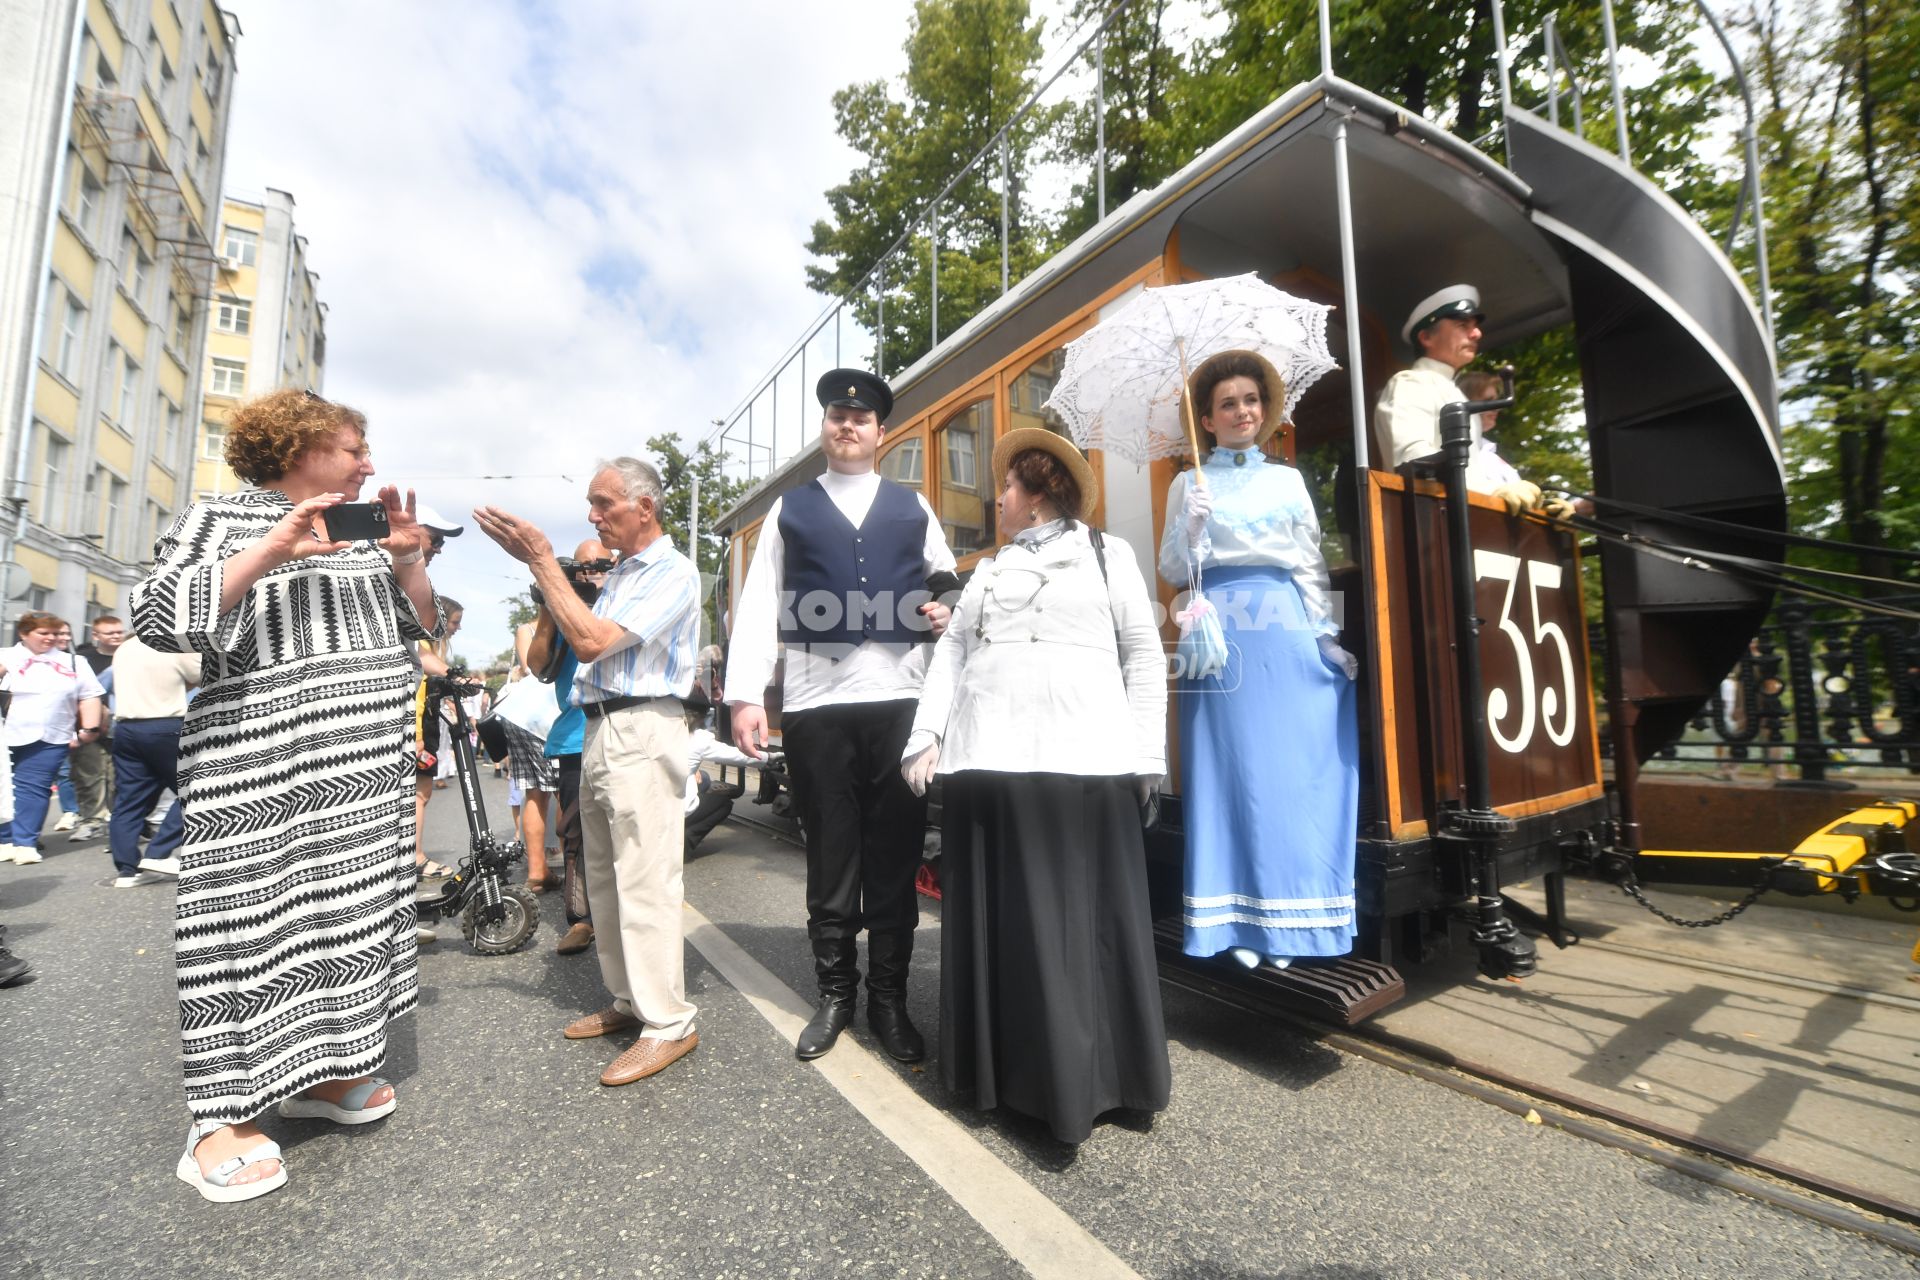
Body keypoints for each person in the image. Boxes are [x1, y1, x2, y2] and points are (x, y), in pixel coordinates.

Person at [131, 386, 442, 1202]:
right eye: (350, 449)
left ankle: (324, 1075)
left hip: (361, 776)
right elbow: (157, 618)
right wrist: (273, 549)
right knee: (247, 929)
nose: (366, 462)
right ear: (298, 447)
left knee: (348, 920)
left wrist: (408, 560)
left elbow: (424, 630)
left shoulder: (360, 530)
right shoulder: (220, 518)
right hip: (263, 774)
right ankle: (220, 1120)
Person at [902, 427, 1169, 1143]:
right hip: (991, 760)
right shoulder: (986, 572)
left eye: (1009, 488)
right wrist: (926, 735)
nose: (999, 499)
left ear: (1040, 492)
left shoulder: (1110, 557)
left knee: (1088, 924)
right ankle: (1004, 1079)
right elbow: (954, 654)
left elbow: (1143, 652)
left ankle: (1101, 1080)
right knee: (1008, 922)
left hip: (1087, 757)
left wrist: (1147, 754)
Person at [726, 369, 955, 1063]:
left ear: (881, 434)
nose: (847, 424)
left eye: (861, 417)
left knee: (893, 860)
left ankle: (888, 1001)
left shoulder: (912, 507)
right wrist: (744, 695)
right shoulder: (790, 511)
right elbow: (760, 601)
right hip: (817, 706)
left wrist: (947, 602)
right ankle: (835, 996)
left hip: (898, 703)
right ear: (826, 427)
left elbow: (947, 576)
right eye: (836, 414)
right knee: (830, 860)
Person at [474, 459, 703, 1087]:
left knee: (646, 875)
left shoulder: (673, 572)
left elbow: (595, 642)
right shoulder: (624, 572)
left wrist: (545, 563)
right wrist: (545, 572)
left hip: (642, 725)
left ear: (645, 507)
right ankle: (631, 1000)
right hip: (601, 725)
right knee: (603, 877)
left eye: (604, 504)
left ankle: (669, 1021)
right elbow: (554, 655)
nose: (593, 516)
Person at [1160, 350, 1361, 971]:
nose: (1243, 411)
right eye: (1228, 403)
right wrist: (1191, 531)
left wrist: (1326, 635)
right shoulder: (1185, 483)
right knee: (1232, 775)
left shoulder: (1288, 479)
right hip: (1221, 633)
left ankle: (1290, 926)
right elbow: (1171, 572)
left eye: (1251, 400)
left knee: (1295, 772)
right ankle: (1238, 924)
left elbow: (1308, 563)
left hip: (1286, 629)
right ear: (1208, 420)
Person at [1373, 284, 1551, 516]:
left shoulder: (1449, 389)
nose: (1476, 334)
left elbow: (1473, 472)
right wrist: (1494, 492)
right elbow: (1417, 464)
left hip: (1465, 523)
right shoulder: (1411, 383)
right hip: (1438, 530)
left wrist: (1541, 507)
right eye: (1462, 325)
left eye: (1475, 326)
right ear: (1426, 337)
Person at [525, 539, 614, 956]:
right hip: (574, 735)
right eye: (581, 568)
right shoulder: (563, 607)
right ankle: (581, 919)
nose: (590, 573)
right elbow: (538, 665)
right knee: (575, 831)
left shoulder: (628, 597)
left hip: (621, 728)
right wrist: (548, 602)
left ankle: (624, 915)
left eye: (600, 565)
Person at [1, 613, 105, 864]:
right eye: (43, 633)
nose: (50, 638)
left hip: (52, 735)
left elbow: (89, 696)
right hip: (6, 733)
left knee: (34, 787)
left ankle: (25, 842)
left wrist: (88, 730)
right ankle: (4, 839)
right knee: (2, 788)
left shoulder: (74, 661)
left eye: (55, 633)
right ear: (24, 634)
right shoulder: (5, 655)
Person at [104, 634, 201, 885]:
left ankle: (127, 870)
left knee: (130, 799)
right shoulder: (175, 642)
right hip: (166, 724)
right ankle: (158, 853)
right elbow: (203, 674)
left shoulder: (126, 646)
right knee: (195, 790)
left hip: (126, 727)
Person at [69, 615, 126, 841]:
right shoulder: (83, 659)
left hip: (121, 726)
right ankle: (90, 821)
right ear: (96, 636)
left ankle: (117, 821)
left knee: (118, 778)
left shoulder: (129, 655)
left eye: (118, 632)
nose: (116, 636)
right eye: (109, 633)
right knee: (88, 776)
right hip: (88, 727)